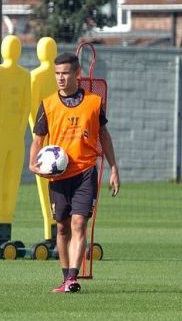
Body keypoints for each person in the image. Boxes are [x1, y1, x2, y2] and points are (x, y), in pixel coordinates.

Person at [29, 53, 120, 293]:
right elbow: (38, 140)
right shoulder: (47, 104)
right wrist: (32, 164)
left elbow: (104, 136)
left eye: (65, 73)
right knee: (61, 227)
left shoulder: (93, 102)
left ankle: (72, 278)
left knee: (79, 223)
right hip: (58, 176)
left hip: (85, 172)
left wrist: (114, 169)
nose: (60, 78)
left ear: (77, 74)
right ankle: (64, 276)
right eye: (57, 73)